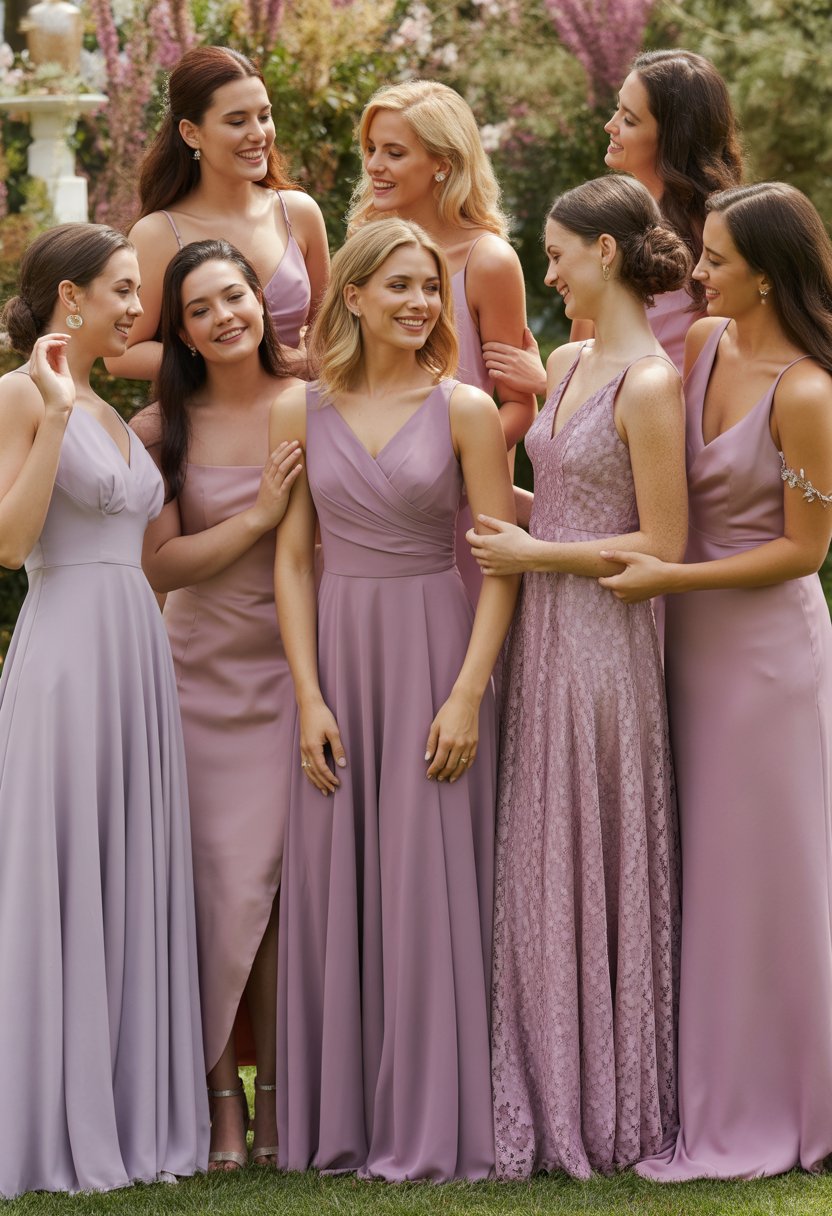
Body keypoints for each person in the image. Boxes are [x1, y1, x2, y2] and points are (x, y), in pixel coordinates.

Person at [274, 217, 519, 1180]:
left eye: (431, 287)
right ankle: (344, 1121)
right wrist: (307, 697)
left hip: (435, 653)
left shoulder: (463, 408)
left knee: (431, 883)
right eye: (402, 287)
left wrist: (466, 695)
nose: (422, 303)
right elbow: (292, 561)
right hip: (338, 653)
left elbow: (500, 566)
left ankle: (432, 1116)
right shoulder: (299, 409)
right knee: (341, 882)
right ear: (356, 297)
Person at [599, 183, 832, 1181]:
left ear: (767, 275)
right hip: (685, 644)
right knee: (701, 870)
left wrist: (672, 578)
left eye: (717, 260)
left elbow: (802, 551)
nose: (698, 274)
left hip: (767, 660)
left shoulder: (809, 393)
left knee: (765, 877)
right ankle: (694, 1086)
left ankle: (783, 1095)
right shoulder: (697, 350)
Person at [472, 176, 689, 1179]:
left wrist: (533, 557)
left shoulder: (648, 380)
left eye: (557, 252)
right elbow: (550, 494)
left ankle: (605, 1095)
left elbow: (659, 543)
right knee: (540, 843)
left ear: (606, 252)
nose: (546, 268)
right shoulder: (563, 360)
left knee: (591, 839)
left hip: (606, 636)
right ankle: (541, 1071)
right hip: (547, 625)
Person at [0, 223, 208, 1198]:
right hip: (67, 659)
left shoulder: (122, 412)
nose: (139, 309)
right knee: (65, 867)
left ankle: (132, 1114)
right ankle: (55, 1116)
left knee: (127, 867)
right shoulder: (18, 396)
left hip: (137, 654)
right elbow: (9, 543)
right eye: (123, 290)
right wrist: (46, 418)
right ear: (69, 298)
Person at [130, 240, 303, 1171]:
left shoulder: (312, 395)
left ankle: (276, 1097)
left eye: (233, 295)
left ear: (259, 298)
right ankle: (215, 1105)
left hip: (296, 667)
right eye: (200, 309)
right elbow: (159, 566)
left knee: (279, 896)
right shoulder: (164, 426)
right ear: (183, 331)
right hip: (199, 677)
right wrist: (255, 520)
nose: (223, 316)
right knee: (215, 896)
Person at [348, 78, 535, 601]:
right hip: (367, 504)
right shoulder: (362, 247)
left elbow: (520, 405)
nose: (374, 166)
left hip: (458, 511)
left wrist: (447, 469)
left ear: (442, 163)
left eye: (394, 152)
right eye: (371, 150)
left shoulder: (489, 261)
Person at [484, 49, 744, 389]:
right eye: (617, 109)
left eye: (630, 120)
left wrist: (547, 382)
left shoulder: (717, 237)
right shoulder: (609, 216)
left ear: (673, 138)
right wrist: (556, 380)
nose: (611, 125)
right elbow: (583, 349)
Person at [105, 45, 329, 382]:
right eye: (237, 121)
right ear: (191, 133)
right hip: (205, 420)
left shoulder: (298, 213)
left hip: (303, 413)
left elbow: (329, 331)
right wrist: (234, 358)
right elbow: (122, 356)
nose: (258, 134)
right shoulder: (158, 234)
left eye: (264, 116)